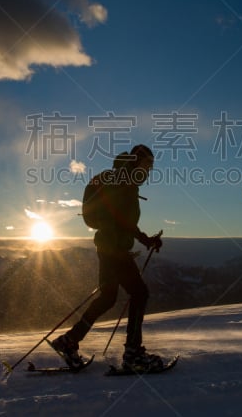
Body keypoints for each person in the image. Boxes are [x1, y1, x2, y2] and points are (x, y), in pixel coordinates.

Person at [51, 144, 164, 371]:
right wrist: (139, 241)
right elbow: (119, 218)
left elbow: (123, 220)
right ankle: (133, 354)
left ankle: (69, 341)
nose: (149, 170)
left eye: (151, 166)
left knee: (108, 298)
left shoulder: (124, 182)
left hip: (108, 249)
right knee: (139, 293)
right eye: (146, 164)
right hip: (114, 250)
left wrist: (145, 240)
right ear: (135, 162)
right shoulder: (122, 182)